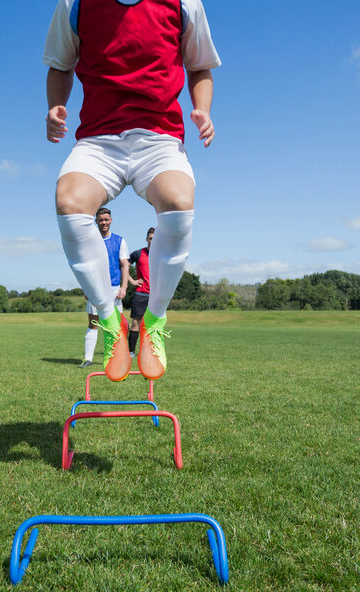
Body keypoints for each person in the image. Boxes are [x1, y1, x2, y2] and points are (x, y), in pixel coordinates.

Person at [44, 0, 220, 381]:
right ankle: (111, 324)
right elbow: (61, 64)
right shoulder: (75, 3)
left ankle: (154, 321)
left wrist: (202, 109)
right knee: (69, 202)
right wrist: (56, 106)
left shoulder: (184, 3)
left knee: (178, 200)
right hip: (98, 141)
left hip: (158, 138)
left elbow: (200, 65)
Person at [79, 207, 131, 368]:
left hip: (114, 288)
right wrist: (85, 288)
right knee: (93, 323)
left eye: (106, 219)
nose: (103, 222)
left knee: (117, 325)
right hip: (95, 288)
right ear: (96, 221)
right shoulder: (89, 241)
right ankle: (87, 359)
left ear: (111, 220)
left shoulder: (120, 241)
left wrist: (124, 287)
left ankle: (118, 357)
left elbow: (124, 265)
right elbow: (84, 267)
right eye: (100, 220)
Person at [127, 227, 155, 357]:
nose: (152, 241)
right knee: (135, 323)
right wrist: (131, 280)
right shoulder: (138, 254)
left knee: (152, 325)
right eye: (150, 238)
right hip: (141, 294)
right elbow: (123, 265)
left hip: (156, 296)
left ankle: (149, 352)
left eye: (155, 239)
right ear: (146, 239)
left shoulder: (162, 255)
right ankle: (131, 352)